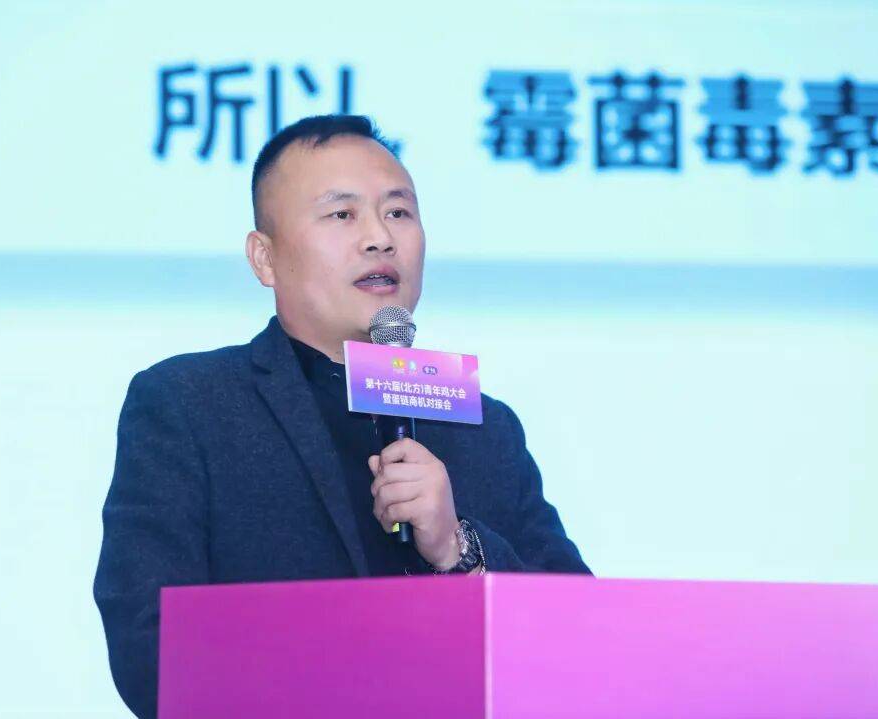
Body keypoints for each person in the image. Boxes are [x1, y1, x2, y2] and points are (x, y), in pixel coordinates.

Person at [94, 114, 590, 718]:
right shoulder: (190, 403)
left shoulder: (484, 426)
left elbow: (583, 638)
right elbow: (150, 647)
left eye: (398, 212)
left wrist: (457, 548)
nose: (380, 238)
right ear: (264, 258)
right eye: (342, 215)